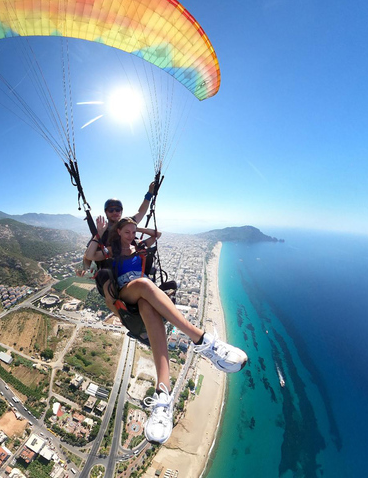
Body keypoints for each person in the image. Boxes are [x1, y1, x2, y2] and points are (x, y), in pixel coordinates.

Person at [84, 217, 248, 444]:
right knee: (142, 285)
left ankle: (163, 395)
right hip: (127, 291)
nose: (132, 235)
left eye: (134, 232)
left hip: (145, 296)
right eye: (127, 232)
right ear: (119, 232)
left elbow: (156, 235)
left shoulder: (139, 246)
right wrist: (100, 232)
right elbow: (91, 256)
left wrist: (135, 229)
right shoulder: (111, 250)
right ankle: (203, 341)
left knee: (147, 306)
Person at [78, 181, 156, 274]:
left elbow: (141, 212)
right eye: (111, 210)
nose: (114, 212)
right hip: (111, 272)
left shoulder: (127, 223)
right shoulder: (102, 232)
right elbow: (90, 253)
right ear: (106, 213)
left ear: (121, 212)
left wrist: (149, 194)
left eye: (117, 210)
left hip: (132, 264)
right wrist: (84, 267)